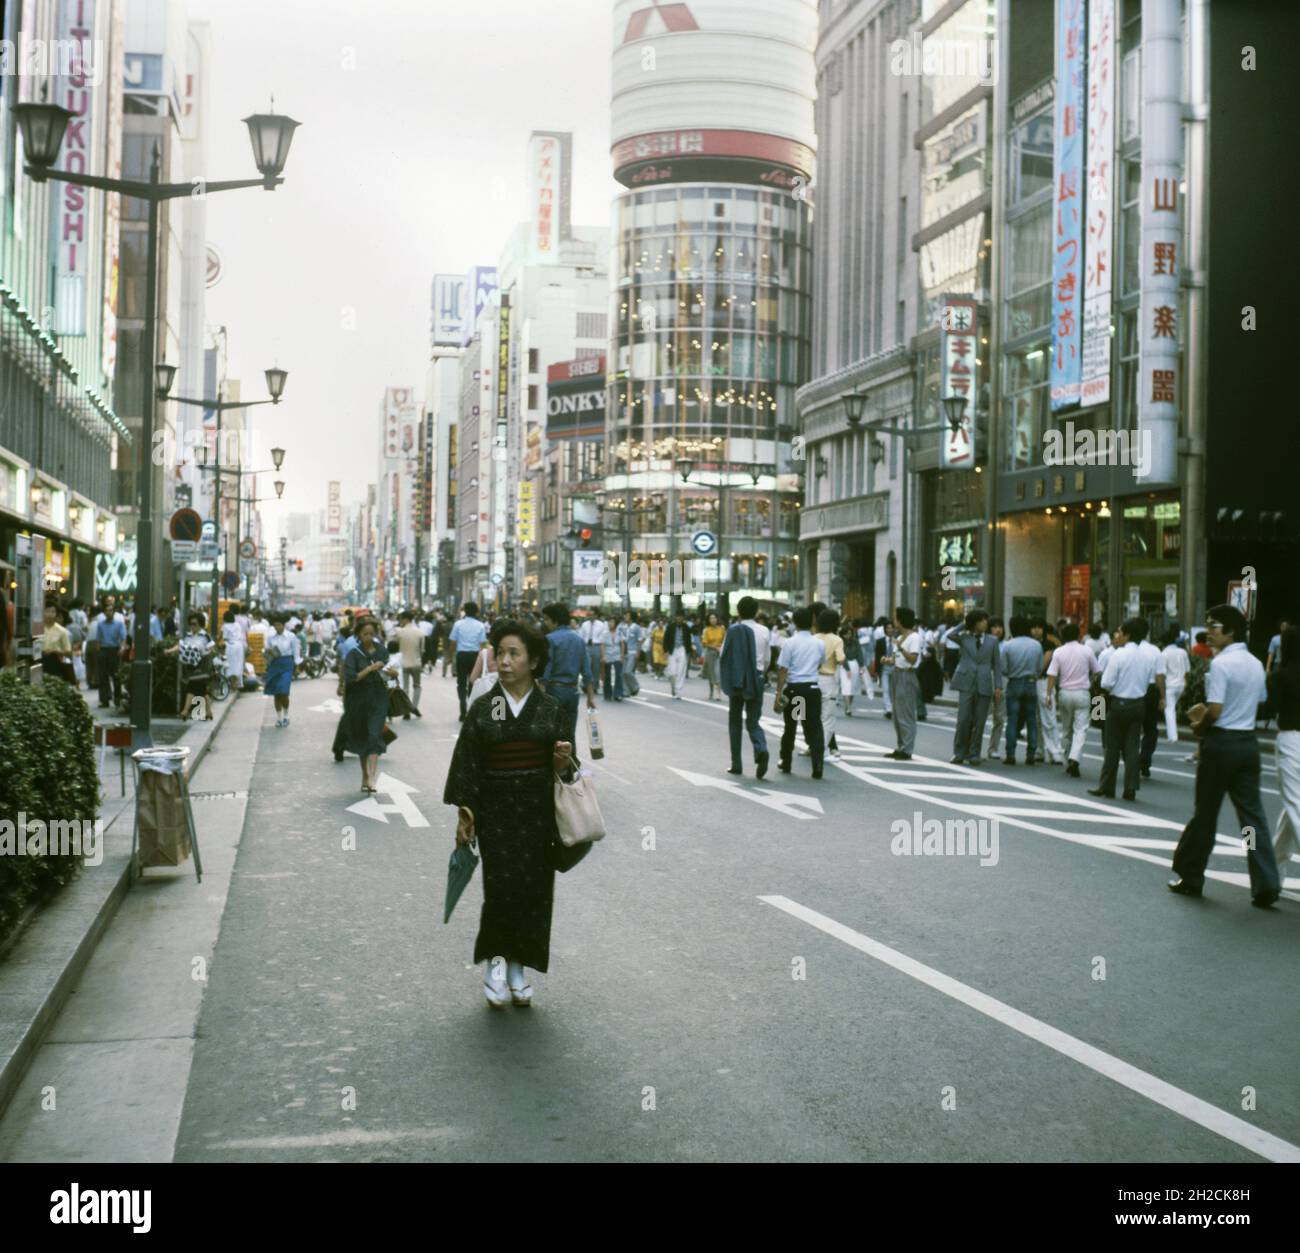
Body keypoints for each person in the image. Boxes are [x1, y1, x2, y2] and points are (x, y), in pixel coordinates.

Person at [444, 619, 578, 1009]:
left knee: (536, 892)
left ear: (534, 662)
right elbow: (468, 762)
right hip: (498, 814)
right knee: (500, 890)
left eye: (513, 654)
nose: (503, 661)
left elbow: (570, 770)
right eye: (500, 653)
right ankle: (497, 964)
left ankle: (521, 966)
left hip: (539, 815)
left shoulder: (550, 707)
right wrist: (466, 814)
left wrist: (562, 762)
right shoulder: (488, 706)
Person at [1169, 605, 1280, 907]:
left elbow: (1215, 710)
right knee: (1252, 818)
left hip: (1220, 745)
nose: (1208, 632)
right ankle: (1266, 882)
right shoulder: (1256, 663)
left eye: (1214, 626)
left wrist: (1199, 725)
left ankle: (1191, 876)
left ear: (1231, 631)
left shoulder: (1220, 664)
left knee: (1206, 813)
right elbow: (1260, 701)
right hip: (1248, 744)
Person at [1089, 618, 1157, 801]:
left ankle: (1107, 787)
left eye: (1120, 632)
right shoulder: (1148, 656)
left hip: (1119, 704)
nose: (1117, 635)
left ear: (1127, 634)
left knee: (1112, 747)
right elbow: (1150, 680)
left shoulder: (1118, 655)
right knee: (1133, 748)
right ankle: (1131, 788)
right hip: (1139, 704)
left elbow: (1106, 683)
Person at [1263, 625, 1300, 884]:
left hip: (1290, 739)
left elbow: (1268, 709)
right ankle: (1274, 869)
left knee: (1295, 803)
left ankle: (1273, 869)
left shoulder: (1280, 676)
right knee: (1291, 808)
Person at [720, 595, 770, 778]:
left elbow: (723, 654)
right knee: (753, 721)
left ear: (738, 611)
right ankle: (761, 748)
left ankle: (736, 764)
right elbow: (767, 658)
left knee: (735, 721)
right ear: (756, 611)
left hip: (737, 679)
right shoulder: (764, 631)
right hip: (756, 678)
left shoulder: (733, 630)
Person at [343, 617, 394, 793]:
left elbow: (389, 673)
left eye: (372, 634)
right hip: (358, 699)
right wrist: (369, 669)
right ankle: (365, 775)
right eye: (365, 634)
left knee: (374, 735)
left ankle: (372, 776)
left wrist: (393, 673)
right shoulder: (353, 654)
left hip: (379, 697)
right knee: (362, 737)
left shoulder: (382, 650)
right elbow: (351, 678)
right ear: (358, 634)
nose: (369, 637)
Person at [774, 605, 825, 778]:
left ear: (795, 622)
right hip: (812, 688)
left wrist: (778, 694)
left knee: (792, 727)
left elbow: (783, 670)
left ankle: (786, 761)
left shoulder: (790, 643)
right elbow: (820, 663)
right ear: (812, 622)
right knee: (814, 727)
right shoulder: (819, 643)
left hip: (796, 691)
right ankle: (817, 764)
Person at [1045, 623, 1099, 777]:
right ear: (1078, 635)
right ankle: (1075, 758)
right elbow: (1097, 671)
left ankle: (1068, 758)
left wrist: (1048, 695)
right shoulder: (1087, 650)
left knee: (1067, 728)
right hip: (1082, 692)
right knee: (1080, 728)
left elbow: (1052, 675)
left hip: (1064, 694)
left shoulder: (1059, 652)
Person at [950, 610, 1002, 767]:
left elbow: (997, 665)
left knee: (979, 721)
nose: (985, 623)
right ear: (974, 623)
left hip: (984, 682)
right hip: (966, 681)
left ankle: (974, 754)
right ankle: (959, 752)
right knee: (963, 719)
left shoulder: (993, 641)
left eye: (986, 620)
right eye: (981, 620)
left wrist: (998, 686)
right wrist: (964, 623)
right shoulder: (965, 637)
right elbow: (950, 635)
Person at [540, 603, 597, 744]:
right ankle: (571, 763)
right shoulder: (579, 640)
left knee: (552, 733)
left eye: (547, 619)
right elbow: (587, 672)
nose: (545, 623)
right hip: (572, 692)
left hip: (553, 691)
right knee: (569, 734)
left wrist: (540, 695)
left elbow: (545, 671)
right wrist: (590, 697)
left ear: (555, 620)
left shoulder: (550, 639)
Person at [999, 617, 1043, 765]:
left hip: (1014, 683)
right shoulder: (1036, 645)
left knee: (1012, 719)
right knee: (1032, 720)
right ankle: (1031, 754)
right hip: (1031, 683)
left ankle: (1010, 754)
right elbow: (1039, 668)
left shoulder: (1007, 645)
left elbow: (1003, 669)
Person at [168, 611, 216, 718]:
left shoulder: (205, 636)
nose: (192, 626)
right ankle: (208, 712)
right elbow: (180, 646)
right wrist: (169, 651)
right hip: (191, 665)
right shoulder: (188, 636)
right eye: (191, 623)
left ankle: (185, 711)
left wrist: (206, 651)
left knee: (192, 687)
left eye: (195, 624)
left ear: (200, 624)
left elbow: (211, 647)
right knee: (201, 689)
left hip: (202, 665)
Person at [1135, 622, 1167, 777]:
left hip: (1130, 691)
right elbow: (1160, 676)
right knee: (1150, 728)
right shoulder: (1154, 650)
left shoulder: (1122, 651)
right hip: (1150, 691)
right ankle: (1145, 759)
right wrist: (1163, 697)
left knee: (1130, 727)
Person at [1030, 618, 1064, 764]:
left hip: (1044, 682)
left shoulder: (1049, 644)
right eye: (1034, 627)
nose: (1037, 630)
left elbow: (1043, 665)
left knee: (1049, 718)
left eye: (1039, 627)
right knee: (1036, 719)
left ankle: (1055, 751)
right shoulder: (1029, 644)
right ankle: (1040, 749)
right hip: (1032, 682)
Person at [814, 608, 846, 763]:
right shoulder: (836, 640)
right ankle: (823, 751)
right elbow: (840, 659)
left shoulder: (814, 638)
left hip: (812, 678)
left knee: (813, 716)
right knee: (827, 717)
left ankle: (812, 746)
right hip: (828, 680)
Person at [450, 603, 488, 720]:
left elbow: (453, 641)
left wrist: (451, 656)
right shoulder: (480, 625)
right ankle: (471, 709)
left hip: (461, 655)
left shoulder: (458, 624)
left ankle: (463, 709)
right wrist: (483, 659)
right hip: (475, 656)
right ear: (476, 612)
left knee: (461, 683)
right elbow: (483, 644)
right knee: (474, 682)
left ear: (464, 611)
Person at [264, 615, 300, 728]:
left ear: (283, 625)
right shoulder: (270, 637)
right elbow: (267, 651)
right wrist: (267, 652)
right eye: (275, 625)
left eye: (279, 624)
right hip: (274, 665)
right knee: (276, 692)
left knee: (284, 691)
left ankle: (286, 716)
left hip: (287, 664)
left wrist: (297, 666)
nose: (276, 627)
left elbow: (296, 652)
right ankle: (279, 718)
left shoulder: (291, 636)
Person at [95, 595, 127, 708]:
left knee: (116, 675)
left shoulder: (119, 624)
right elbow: (98, 639)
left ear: (114, 612)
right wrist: (98, 652)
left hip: (114, 650)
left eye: (111, 611)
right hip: (103, 650)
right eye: (107, 611)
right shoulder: (100, 624)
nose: (109, 612)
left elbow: (123, 638)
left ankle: (117, 698)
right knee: (103, 676)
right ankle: (104, 699)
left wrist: (122, 648)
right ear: (104, 612)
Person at [1161, 628, 1190, 743]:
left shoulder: (1164, 654)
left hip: (1169, 685)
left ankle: (1173, 736)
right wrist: (1186, 683)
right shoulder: (1183, 652)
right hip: (1181, 684)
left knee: (1169, 710)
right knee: (1173, 708)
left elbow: (1161, 673)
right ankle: (1173, 734)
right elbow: (1187, 671)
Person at [394, 610, 425, 717]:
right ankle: (414, 707)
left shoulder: (399, 632)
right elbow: (422, 650)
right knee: (417, 686)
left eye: (401, 618)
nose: (400, 621)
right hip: (416, 662)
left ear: (406, 619)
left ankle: (406, 710)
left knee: (405, 688)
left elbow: (396, 648)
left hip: (403, 663)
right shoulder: (420, 632)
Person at [39, 604, 75, 683]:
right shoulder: (37, 629)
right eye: (47, 611)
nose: (50, 614)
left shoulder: (62, 632)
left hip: (55, 663)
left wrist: (54, 651)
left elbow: (68, 652)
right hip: (39, 662)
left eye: (53, 612)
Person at [663, 610, 694, 699]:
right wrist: (665, 651)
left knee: (681, 671)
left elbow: (689, 641)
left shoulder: (686, 627)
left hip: (682, 649)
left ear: (683, 618)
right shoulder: (670, 627)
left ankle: (679, 692)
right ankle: (673, 686)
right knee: (672, 671)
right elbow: (666, 639)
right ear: (675, 617)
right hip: (672, 649)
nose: (679, 618)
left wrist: (689, 652)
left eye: (681, 617)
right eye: (678, 617)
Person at [600, 610, 625, 702]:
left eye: (612, 622)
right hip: (608, 655)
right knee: (607, 675)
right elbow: (602, 645)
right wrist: (603, 656)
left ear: (616, 623)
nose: (610, 623)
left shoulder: (619, 632)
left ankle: (618, 694)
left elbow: (622, 644)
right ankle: (607, 693)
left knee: (618, 674)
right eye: (609, 622)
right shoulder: (605, 633)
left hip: (617, 655)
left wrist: (622, 656)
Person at [701, 611, 725, 701]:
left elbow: (725, 640)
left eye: (714, 618)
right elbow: (704, 644)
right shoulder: (706, 630)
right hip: (710, 653)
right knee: (711, 673)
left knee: (717, 672)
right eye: (711, 618)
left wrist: (721, 649)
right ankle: (711, 692)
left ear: (717, 619)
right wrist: (715, 647)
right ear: (708, 620)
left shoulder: (721, 629)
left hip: (719, 653)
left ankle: (718, 693)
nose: (713, 620)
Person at [221, 608, 246, 687]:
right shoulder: (237, 625)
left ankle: (232, 684)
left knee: (230, 665)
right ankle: (235, 684)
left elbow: (222, 637)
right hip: (239, 646)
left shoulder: (224, 626)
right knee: (238, 665)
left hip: (230, 646)